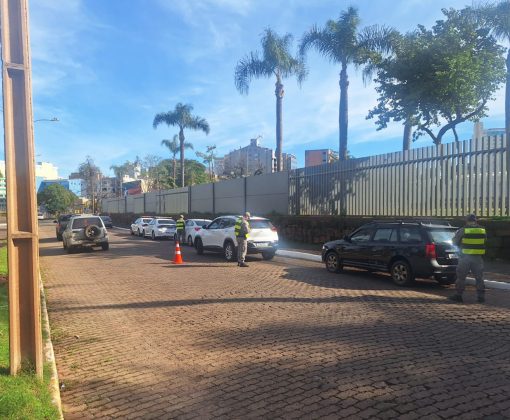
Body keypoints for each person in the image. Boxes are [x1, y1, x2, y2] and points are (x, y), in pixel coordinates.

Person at [448, 214, 487, 303]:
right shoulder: (482, 230)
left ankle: (458, 295)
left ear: (466, 220)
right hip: (478, 258)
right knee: (479, 278)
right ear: (476, 220)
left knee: (461, 277)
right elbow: (484, 241)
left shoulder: (463, 230)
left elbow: (454, 242)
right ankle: (481, 297)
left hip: (465, 257)